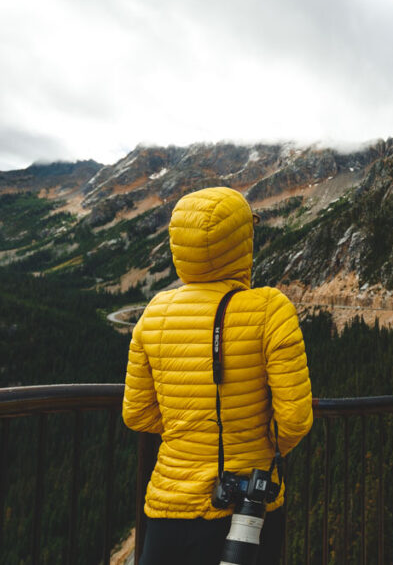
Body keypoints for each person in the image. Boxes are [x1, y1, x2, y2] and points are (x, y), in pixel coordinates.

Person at [123, 186, 313, 565]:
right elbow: (295, 418)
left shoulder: (156, 311)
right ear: (242, 240)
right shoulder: (271, 309)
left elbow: (137, 414)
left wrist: (187, 431)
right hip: (245, 507)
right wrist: (260, 445)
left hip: (168, 507)